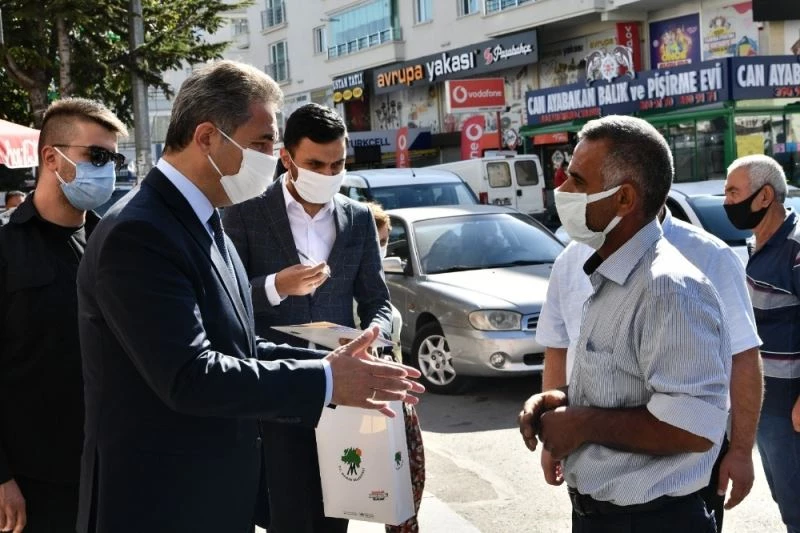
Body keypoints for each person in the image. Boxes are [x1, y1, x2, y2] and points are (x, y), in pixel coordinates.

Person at [75, 60, 423, 533]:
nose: (269, 156)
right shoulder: (140, 232)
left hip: (213, 495)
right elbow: (189, 375)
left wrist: (341, 366)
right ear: (207, 138)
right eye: (261, 143)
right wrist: (323, 380)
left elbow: (237, 346)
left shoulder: (206, 217)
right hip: (162, 503)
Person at [518, 115, 730, 532]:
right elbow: (626, 385)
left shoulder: (668, 288)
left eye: (578, 181)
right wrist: (561, 401)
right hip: (602, 516)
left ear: (624, 199)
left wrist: (580, 424)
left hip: (652, 521)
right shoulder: (610, 275)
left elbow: (694, 426)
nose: (562, 191)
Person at [536, 205, 763, 531]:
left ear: (626, 192)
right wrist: (553, 435)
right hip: (592, 488)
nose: (569, 195)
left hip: (680, 490)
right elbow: (558, 348)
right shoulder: (572, 260)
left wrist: (741, 450)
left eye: (581, 179)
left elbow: (742, 356)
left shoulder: (708, 256)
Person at [223, 102, 393, 533]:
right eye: (315, 163)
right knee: (286, 515)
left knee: (338, 514)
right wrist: (277, 285)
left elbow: (379, 299)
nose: (328, 172)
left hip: (342, 393)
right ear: (287, 158)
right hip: (276, 388)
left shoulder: (356, 218)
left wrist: (377, 333)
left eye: (337, 164)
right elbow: (223, 300)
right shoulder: (245, 211)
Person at [0, 98, 127, 533]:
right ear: (51, 158)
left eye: (113, 158)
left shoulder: (111, 246)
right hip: (32, 485)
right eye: (96, 156)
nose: (107, 169)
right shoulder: (6, 249)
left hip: (107, 470)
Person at [723, 154, 800, 533]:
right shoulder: (757, 247)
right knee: (788, 502)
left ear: (765, 196)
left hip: (792, 407)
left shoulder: (796, 247)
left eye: (734, 192)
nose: (726, 203)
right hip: (768, 406)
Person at [364, 201, 425, 533]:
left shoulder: (379, 286)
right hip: (368, 403)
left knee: (406, 496)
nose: (382, 247)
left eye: (386, 239)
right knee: (381, 494)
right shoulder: (349, 284)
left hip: (397, 401)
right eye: (376, 239)